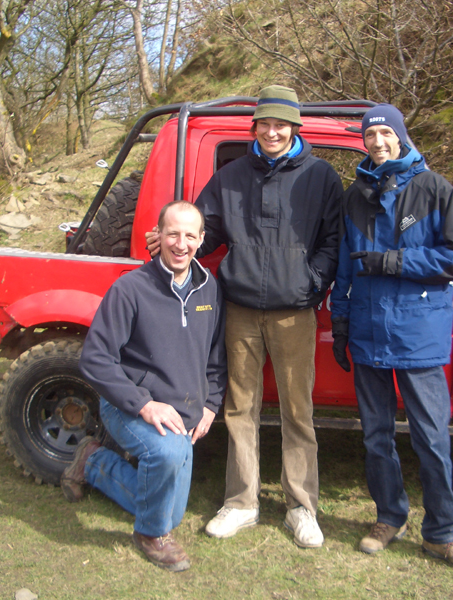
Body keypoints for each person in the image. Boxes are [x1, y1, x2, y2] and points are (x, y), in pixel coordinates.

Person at [146, 85, 343, 548]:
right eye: (264, 124)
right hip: (239, 309)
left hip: (295, 313)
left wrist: (311, 283)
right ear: (254, 127)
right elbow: (206, 230)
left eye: (281, 125)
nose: (272, 132)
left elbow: (334, 240)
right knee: (239, 409)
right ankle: (241, 503)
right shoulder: (231, 175)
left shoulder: (321, 176)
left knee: (298, 411)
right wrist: (173, 238)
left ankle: (301, 507)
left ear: (295, 127)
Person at [330, 104, 453, 572]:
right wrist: (341, 324)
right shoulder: (355, 196)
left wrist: (394, 262)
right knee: (376, 437)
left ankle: (443, 533)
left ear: (401, 137)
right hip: (367, 331)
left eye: (385, 134)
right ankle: (389, 517)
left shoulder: (434, 189)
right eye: (370, 135)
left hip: (417, 334)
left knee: (432, 438)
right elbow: (344, 268)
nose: (378, 143)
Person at [62, 200, 226, 572]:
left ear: (201, 239)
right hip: (129, 405)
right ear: (159, 236)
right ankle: (151, 535)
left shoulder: (210, 290)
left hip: (184, 413)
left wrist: (210, 404)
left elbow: (216, 358)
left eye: (189, 235)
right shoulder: (130, 289)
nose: (180, 244)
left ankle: (94, 462)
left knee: (172, 512)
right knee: (166, 458)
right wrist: (144, 404)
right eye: (172, 234)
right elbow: (95, 359)